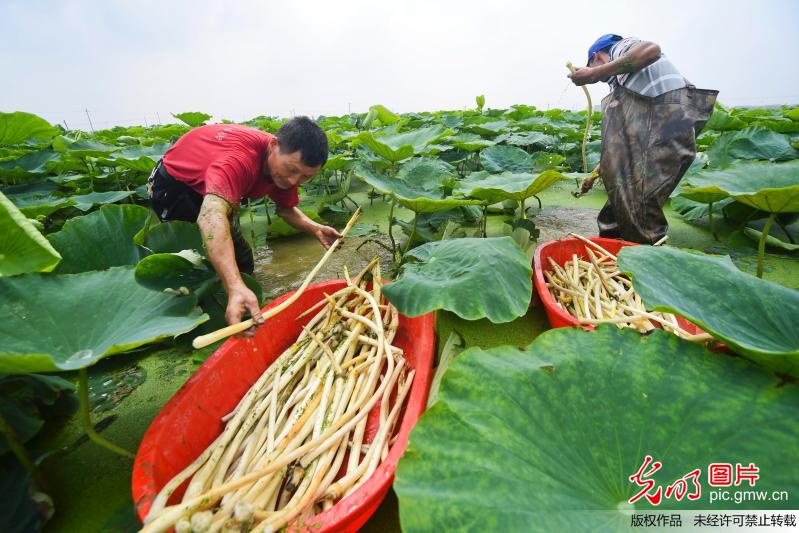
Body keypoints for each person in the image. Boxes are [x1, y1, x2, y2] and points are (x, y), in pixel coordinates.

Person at [147, 117, 341, 336]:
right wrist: (233, 285)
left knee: (243, 259)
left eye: (306, 176)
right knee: (193, 264)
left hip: (217, 189)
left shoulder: (284, 169)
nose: (294, 181)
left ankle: (244, 305)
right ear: (273, 146)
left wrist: (314, 228)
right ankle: (199, 317)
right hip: (176, 187)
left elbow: (286, 209)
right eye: (291, 170)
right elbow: (210, 216)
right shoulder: (239, 161)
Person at [568, 34, 718, 244]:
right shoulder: (625, 81)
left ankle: (644, 270)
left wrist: (594, 73)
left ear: (597, 56)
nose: (603, 79)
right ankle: (612, 264)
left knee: (640, 209)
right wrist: (596, 174)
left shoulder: (620, 48)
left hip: (665, 124)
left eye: (594, 66)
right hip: (651, 135)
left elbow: (651, 50)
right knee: (614, 212)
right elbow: (621, 143)